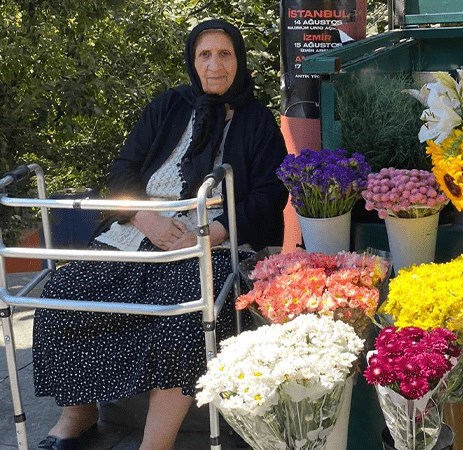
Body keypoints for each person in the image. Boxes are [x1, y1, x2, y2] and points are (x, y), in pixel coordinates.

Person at [32, 19, 288, 450]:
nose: (214, 65)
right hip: (138, 232)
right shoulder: (168, 106)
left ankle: (156, 443)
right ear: (192, 60)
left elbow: (268, 195)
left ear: (239, 61)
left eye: (225, 54)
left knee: (185, 319)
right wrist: (141, 216)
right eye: (205, 54)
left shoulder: (257, 122)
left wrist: (213, 232)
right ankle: (78, 417)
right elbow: (122, 170)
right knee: (63, 295)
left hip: (212, 243)